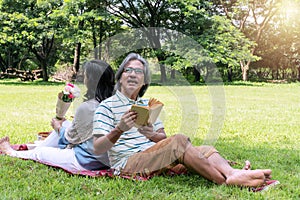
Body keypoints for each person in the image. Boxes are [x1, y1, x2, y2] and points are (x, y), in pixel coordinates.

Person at [92, 53, 274, 187]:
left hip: (152, 155)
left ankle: (233, 173)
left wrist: (151, 134)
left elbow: (162, 139)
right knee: (179, 140)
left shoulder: (147, 105)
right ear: (120, 77)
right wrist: (120, 129)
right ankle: (227, 181)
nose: (132, 74)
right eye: (128, 70)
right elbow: (98, 147)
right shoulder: (106, 107)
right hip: (127, 163)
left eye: (139, 72)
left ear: (144, 81)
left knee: (205, 149)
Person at [0, 59, 115, 172]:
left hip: (84, 161)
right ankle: (37, 148)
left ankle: (12, 153)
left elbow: (70, 138)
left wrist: (58, 127)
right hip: (105, 160)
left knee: (42, 153)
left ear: (90, 80)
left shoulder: (88, 107)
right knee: (65, 124)